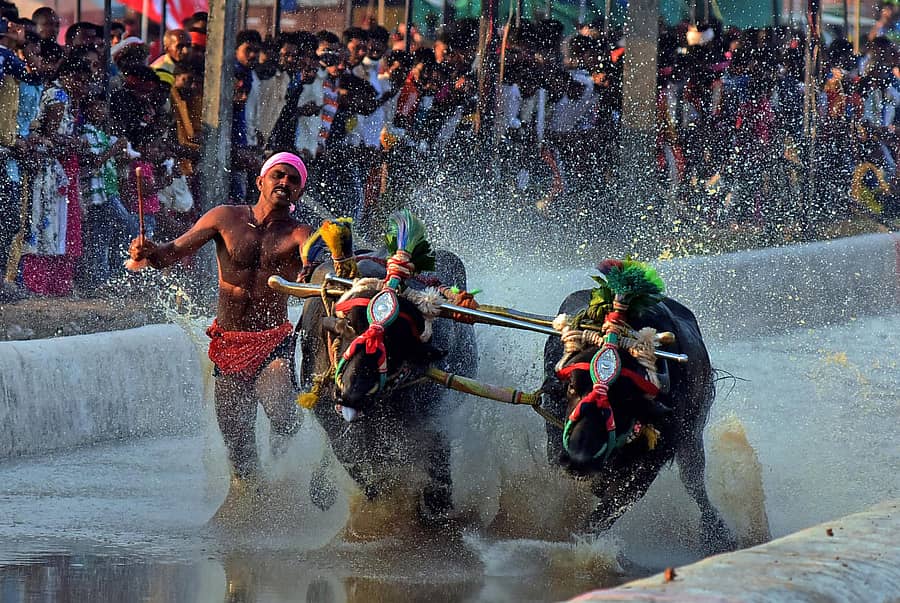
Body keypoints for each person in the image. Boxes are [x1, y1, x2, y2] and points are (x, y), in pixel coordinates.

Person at [129, 152, 312, 483]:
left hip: (272, 342)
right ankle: (252, 505)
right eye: (278, 175)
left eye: (293, 180)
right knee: (239, 451)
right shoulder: (224, 217)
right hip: (229, 344)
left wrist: (310, 272)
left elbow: (315, 263)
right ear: (260, 181)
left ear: (299, 192)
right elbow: (170, 253)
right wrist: (149, 251)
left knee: (282, 413)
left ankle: (291, 476)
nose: (284, 182)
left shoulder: (300, 234)